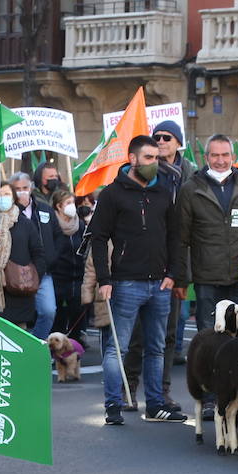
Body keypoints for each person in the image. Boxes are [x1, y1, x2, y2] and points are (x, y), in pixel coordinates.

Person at [89, 135, 185, 426]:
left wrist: (173, 275)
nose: (153, 164)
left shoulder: (164, 192)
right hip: (125, 283)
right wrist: (104, 279)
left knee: (156, 347)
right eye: (147, 158)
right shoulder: (112, 194)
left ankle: (155, 404)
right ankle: (113, 405)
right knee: (118, 348)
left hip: (159, 284)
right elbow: (98, 237)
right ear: (131, 159)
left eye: (155, 158)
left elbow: (175, 236)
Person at [178, 133, 238, 337]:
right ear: (206, 157)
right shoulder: (190, 189)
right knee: (209, 339)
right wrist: (182, 279)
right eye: (215, 155)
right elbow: (181, 238)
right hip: (207, 280)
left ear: (232, 156)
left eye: (225, 155)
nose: (220, 160)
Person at [151, 120, 195, 364]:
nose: (160, 141)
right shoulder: (147, 170)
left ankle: (165, 372)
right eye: (156, 137)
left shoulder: (191, 173)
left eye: (167, 137)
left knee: (177, 314)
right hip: (155, 250)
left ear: (179, 142)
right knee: (153, 320)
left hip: (181, 251)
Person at [0, 181, 46, 329]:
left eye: (6, 194)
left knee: (19, 335)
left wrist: (34, 277)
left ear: (13, 198)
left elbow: (38, 253)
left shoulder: (26, 224)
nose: (2, 197)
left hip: (20, 291)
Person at [9, 171, 59, 339]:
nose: (22, 192)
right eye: (17, 189)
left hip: (42, 272)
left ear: (30, 187)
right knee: (18, 317)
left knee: (48, 311)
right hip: (17, 273)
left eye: (25, 187)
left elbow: (57, 235)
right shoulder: (9, 213)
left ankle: (36, 343)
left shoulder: (44, 209)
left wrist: (51, 258)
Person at [49, 187, 89, 340]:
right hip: (58, 276)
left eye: (73, 202)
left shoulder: (79, 225)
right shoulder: (53, 225)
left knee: (77, 310)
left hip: (77, 275)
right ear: (59, 206)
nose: (72, 205)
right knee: (58, 312)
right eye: (68, 202)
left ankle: (75, 341)